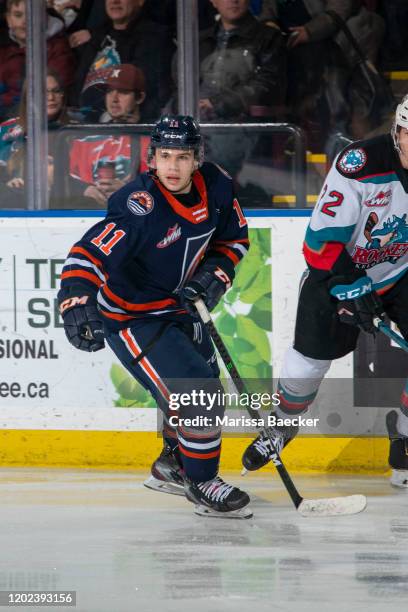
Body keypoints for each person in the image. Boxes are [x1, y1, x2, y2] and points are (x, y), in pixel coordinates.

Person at [57, 115, 252, 517]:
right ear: (152, 159)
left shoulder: (216, 185)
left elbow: (234, 240)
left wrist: (213, 277)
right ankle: (202, 482)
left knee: (199, 387)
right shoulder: (139, 206)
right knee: (199, 392)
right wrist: (76, 299)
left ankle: (173, 465)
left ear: (197, 158)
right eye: (165, 156)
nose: (173, 167)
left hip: (182, 308)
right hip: (133, 317)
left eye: (182, 157)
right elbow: (88, 254)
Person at [242, 95, 408, 488]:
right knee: (309, 362)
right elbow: (320, 244)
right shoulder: (361, 164)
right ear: (398, 132)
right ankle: (282, 426)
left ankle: (404, 437)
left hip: (401, 273)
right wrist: (353, 289)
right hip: (337, 274)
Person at [72, 0, 173, 120]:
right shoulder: (96, 36)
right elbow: (78, 84)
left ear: (140, 1)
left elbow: (150, 92)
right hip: (80, 124)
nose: (115, 1)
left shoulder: (154, 37)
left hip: (124, 127)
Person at [0, 0, 75, 121]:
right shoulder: (4, 49)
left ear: (44, 17)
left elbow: (48, 93)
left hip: (38, 120)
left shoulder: (58, 48)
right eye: (18, 15)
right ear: (9, 20)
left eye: (31, 15)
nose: (25, 21)